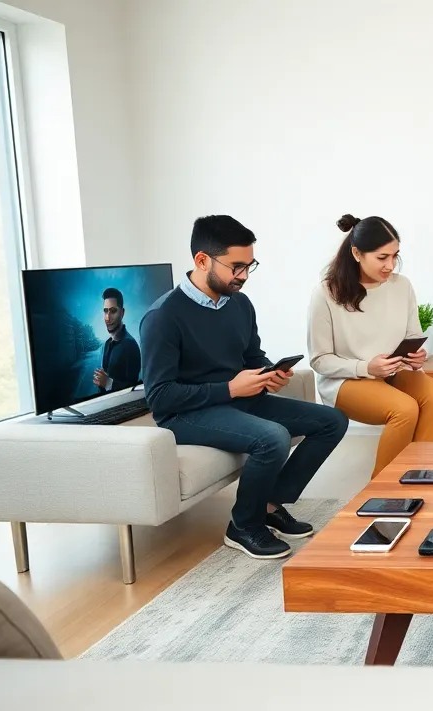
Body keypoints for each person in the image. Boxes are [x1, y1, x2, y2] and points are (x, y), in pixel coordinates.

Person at [139, 214, 349, 560]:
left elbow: (252, 357)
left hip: (237, 399)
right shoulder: (163, 317)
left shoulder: (239, 303)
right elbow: (160, 398)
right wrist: (230, 389)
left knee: (332, 421)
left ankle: (268, 504)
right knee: (272, 438)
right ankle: (243, 526)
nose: (243, 277)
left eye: (249, 266)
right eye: (236, 267)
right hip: (186, 413)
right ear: (202, 260)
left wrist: (268, 374)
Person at [308, 214, 433, 478]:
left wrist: (417, 357)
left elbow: (413, 334)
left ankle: (420, 476)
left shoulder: (401, 286)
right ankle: (382, 490)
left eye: (395, 256)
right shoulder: (326, 293)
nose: (391, 265)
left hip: (393, 371)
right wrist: (365, 366)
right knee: (404, 409)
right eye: (382, 258)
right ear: (357, 253)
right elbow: (320, 360)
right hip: (346, 380)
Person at [94, 287, 141, 392]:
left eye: (113, 311)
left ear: (122, 313)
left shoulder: (130, 345)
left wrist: (108, 383)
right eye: (105, 311)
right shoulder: (107, 344)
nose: (107, 317)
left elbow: (135, 389)